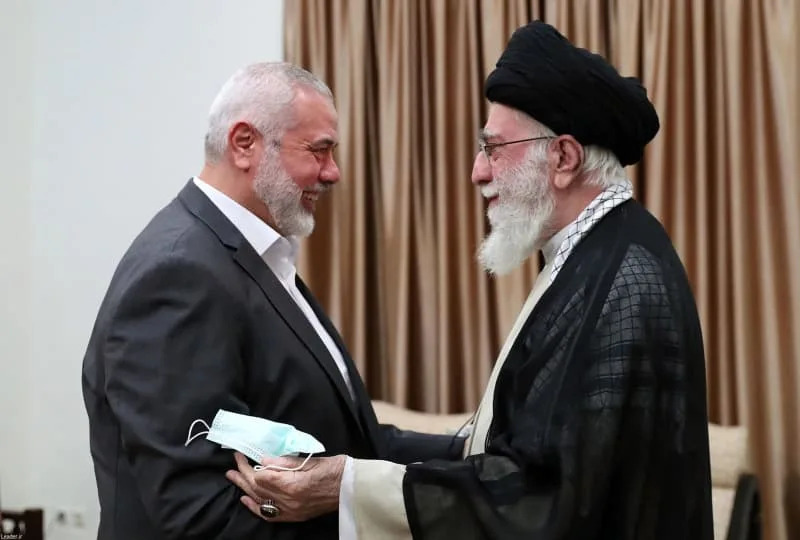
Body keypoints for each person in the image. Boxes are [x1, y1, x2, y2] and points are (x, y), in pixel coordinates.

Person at [226, 21, 714, 540]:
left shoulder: (621, 278)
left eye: (494, 147)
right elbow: (520, 449)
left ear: (564, 158)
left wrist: (346, 483)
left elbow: (543, 497)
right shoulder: (595, 254)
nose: (478, 171)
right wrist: (358, 454)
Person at [81, 62, 463, 540]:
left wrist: (470, 451)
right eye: (319, 151)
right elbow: (197, 511)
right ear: (245, 144)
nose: (334, 173)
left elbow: (344, 440)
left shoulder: (254, 257)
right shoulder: (180, 274)